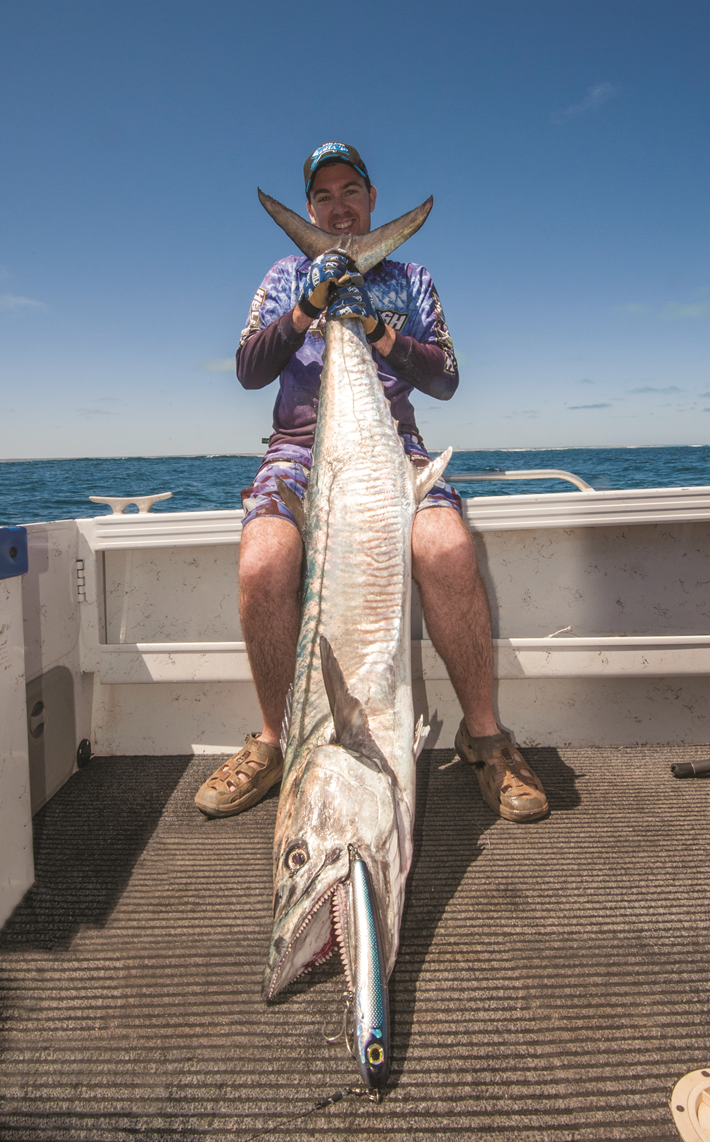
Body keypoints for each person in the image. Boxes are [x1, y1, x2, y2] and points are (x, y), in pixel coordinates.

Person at [194, 142, 549, 825]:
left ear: (371, 200)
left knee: (447, 549)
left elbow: (445, 379)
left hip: (394, 449)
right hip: (298, 450)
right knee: (264, 561)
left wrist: (378, 332)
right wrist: (306, 307)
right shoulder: (281, 274)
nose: (338, 205)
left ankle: (485, 739)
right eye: (323, 196)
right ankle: (275, 741)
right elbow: (246, 368)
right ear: (309, 209)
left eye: (349, 191)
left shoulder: (412, 278)